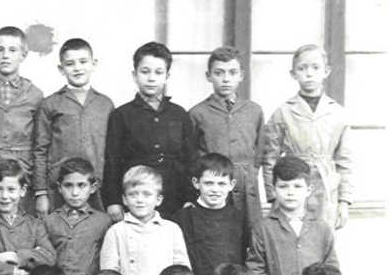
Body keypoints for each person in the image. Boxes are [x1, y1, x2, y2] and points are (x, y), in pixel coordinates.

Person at [262, 44, 354, 229]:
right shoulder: (283, 112)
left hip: (326, 190)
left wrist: (344, 202)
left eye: (315, 67)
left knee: (322, 237)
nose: (309, 74)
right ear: (293, 74)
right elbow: (269, 158)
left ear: (326, 71)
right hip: (291, 187)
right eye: (302, 68)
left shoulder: (338, 113)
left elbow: (345, 162)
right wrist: (273, 196)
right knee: (290, 236)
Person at [103, 41, 197, 219]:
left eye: (158, 72)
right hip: (136, 198)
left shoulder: (179, 114)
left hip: (174, 197)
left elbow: (190, 160)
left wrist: (190, 197)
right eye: (145, 71)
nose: (151, 78)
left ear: (167, 76)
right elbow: (112, 161)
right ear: (134, 75)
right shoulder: (121, 115)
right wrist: (113, 201)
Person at [246, 156, 339, 275]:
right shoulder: (264, 228)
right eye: (283, 186)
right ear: (274, 189)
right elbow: (254, 267)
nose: (290, 192)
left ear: (309, 190)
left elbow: (331, 265)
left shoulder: (321, 227)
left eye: (297, 186)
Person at [33, 38, 114, 215]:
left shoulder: (105, 104)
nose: (77, 68)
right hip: (60, 187)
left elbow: (113, 152)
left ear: (94, 64)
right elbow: (40, 150)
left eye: (83, 62)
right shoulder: (51, 103)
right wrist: (41, 192)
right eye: (70, 64)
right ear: (61, 69)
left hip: (96, 186)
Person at [99, 165, 189, 275]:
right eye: (133, 194)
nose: (140, 200)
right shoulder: (116, 232)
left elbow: (182, 273)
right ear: (124, 199)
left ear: (158, 199)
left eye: (147, 194)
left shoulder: (171, 229)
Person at [189, 47, 265, 226]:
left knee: (249, 232)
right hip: (213, 186)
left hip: (246, 188)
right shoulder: (197, 113)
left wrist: (249, 174)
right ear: (208, 76)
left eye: (232, 72)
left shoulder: (254, 111)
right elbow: (191, 157)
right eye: (219, 73)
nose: (226, 79)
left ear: (241, 75)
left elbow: (260, 151)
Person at [0, 26, 43, 216]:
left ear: (23, 55)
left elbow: (39, 142)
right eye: (0, 50)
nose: (6, 55)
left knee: (22, 225)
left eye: (12, 50)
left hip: (22, 173)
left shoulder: (35, 94)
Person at [172, 153, 250, 275]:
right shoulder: (182, 218)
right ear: (196, 183)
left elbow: (244, 258)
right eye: (208, 183)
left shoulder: (239, 218)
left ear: (231, 185)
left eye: (221, 184)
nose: (215, 190)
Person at [44, 157, 113, 275]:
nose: (75, 193)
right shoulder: (49, 221)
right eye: (68, 185)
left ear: (93, 187)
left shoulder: (103, 221)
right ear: (59, 187)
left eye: (82, 185)